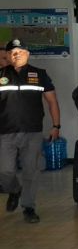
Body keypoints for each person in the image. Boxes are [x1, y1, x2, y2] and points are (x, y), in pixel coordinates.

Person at [0, 39, 61, 223]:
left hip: (32, 131)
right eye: (11, 52)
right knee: (5, 171)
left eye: (19, 51)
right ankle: (14, 190)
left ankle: (28, 207)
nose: (15, 55)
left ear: (27, 53)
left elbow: (52, 102)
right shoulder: (1, 74)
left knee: (30, 171)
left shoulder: (39, 74)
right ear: (8, 56)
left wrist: (56, 126)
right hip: (5, 132)